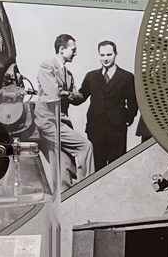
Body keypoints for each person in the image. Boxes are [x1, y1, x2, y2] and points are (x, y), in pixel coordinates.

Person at [32, 35, 91, 182]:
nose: (76, 53)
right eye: (73, 50)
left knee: (64, 167)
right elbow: (54, 94)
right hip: (49, 122)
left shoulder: (68, 75)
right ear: (62, 49)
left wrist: (67, 93)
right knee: (86, 146)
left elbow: (78, 98)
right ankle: (89, 187)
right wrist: (67, 94)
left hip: (62, 123)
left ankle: (67, 199)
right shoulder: (46, 66)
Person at [82, 40, 139, 170]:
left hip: (117, 129)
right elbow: (80, 97)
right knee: (97, 169)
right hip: (95, 129)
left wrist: (127, 121)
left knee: (117, 169)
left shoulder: (127, 77)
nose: (105, 59)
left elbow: (133, 102)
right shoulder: (91, 76)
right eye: (102, 55)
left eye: (109, 55)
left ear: (115, 54)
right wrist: (65, 94)